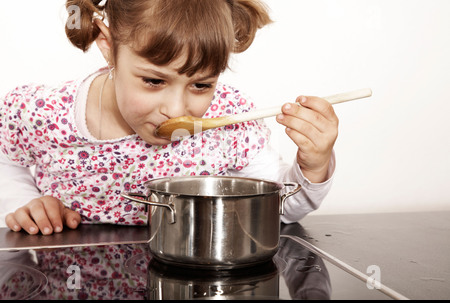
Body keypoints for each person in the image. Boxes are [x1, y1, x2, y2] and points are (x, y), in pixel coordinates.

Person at [0, 0, 338, 235]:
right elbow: (5, 157)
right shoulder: (44, 112)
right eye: (154, 80)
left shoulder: (231, 120)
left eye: (201, 84)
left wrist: (313, 166)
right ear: (107, 44)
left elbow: (280, 210)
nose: (177, 110)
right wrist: (25, 202)